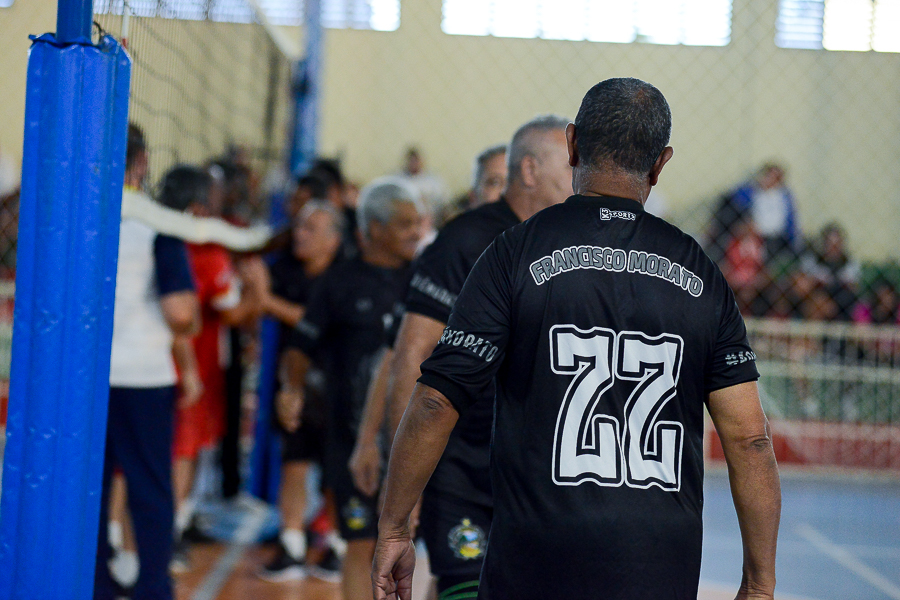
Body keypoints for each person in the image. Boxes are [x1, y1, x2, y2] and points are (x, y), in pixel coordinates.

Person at [374, 78, 781, 600]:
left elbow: (436, 400)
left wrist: (395, 527)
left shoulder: (514, 252)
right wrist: (759, 583)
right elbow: (750, 438)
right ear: (660, 163)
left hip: (537, 558)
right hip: (658, 562)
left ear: (572, 145)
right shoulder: (701, 274)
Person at [349, 116, 570, 598]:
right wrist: (402, 480)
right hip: (461, 467)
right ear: (530, 170)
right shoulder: (467, 240)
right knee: (464, 586)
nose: (581, 174)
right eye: (570, 163)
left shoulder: (568, 242)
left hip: (537, 473)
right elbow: (410, 355)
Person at [279, 177, 424, 600]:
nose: (416, 232)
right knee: (362, 544)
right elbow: (301, 345)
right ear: (375, 228)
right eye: (405, 224)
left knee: (415, 547)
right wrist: (291, 387)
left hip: (417, 442)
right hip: (351, 442)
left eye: (418, 223)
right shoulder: (339, 282)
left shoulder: (428, 281)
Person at [95, 131, 201, 600]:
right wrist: (193, 317)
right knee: (150, 486)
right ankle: (153, 586)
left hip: (85, 378)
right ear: (140, 162)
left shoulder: (79, 213)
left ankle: (95, 582)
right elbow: (179, 314)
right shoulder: (156, 222)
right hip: (141, 376)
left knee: (89, 485)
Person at [159, 165, 269, 570]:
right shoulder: (206, 249)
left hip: (158, 364)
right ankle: (168, 533)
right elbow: (234, 312)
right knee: (183, 450)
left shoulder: (155, 236)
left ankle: (167, 526)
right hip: (192, 367)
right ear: (200, 205)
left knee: (160, 452)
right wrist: (259, 291)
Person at [258, 200, 346, 582]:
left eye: (311, 229)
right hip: (295, 385)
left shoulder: (345, 276)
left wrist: (266, 300)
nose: (300, 235)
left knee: (335, 468)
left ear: (333, 239)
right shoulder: (286, 271)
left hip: (338, 387)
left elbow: (315, 322)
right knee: (294, 459)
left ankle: (337, 544)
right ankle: (292, 543)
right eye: (299, 227)